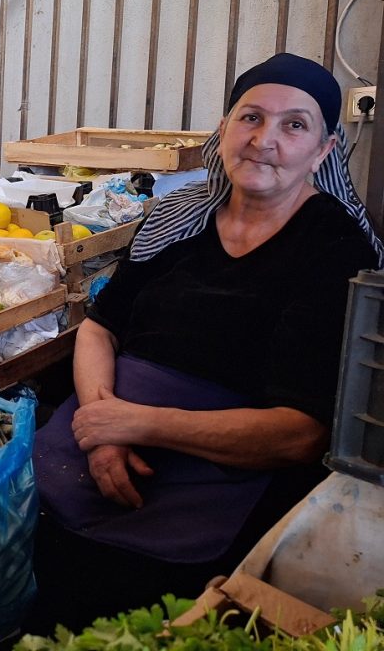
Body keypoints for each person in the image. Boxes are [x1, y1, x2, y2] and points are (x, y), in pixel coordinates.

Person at [28, 53, 383, 634]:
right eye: (250, 118)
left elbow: (299, 434)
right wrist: (100, 424)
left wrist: (134, 425)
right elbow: (98, 327)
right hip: (93, 440)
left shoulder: (336, 251)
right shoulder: (177, 220)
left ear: (323, 150)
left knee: (119, 619)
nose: (265, 140)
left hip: (214, 484)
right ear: (224, 132)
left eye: (295, 125)